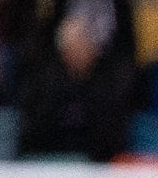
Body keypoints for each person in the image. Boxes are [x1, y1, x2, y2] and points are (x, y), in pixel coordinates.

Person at [20, 13, 136, 160]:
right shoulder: (44, 81)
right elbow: (33, 128)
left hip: (96, 164)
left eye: (85, 45)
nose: (80, 52)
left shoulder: (109, 82)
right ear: (63, 52)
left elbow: (113, 132)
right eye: (74, 47)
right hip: (49, 160)